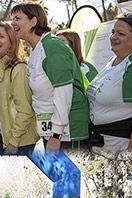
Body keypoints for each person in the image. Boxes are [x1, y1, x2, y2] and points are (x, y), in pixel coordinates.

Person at [11, 2, 90, 152]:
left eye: (17, 18)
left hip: (67, 134)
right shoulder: (36, 49)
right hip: (52, 132)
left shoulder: (53, 46)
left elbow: (63, 92)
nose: (12, 23)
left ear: (33, 21)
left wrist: (56, 134)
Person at [0, 21, 39, 155]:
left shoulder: (19, 69)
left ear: (12, 42)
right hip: (3, 136)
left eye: (1, 36)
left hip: (19, 142)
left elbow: (25, 111)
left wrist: (13, 142)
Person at [87, 13, 132, 152]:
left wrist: (131, 150)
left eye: (120, 33)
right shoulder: (113, 62)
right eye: (113, 32)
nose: (113, 37)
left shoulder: (131, 66)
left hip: (120, 148)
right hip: (101, 146)